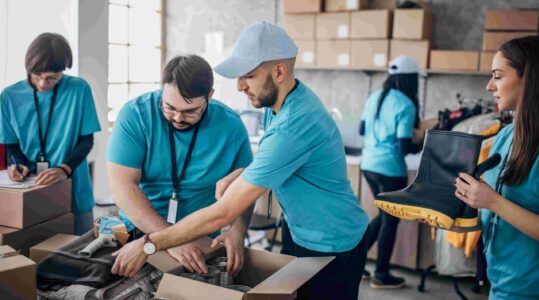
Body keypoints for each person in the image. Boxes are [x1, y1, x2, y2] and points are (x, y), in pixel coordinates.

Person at [111, 22, 370, 300]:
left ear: (279, 72)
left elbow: (224, 212)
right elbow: (279, 160)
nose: (239, 86)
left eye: (248, 75)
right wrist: (243, 174)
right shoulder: (281, 105)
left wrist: (149, 244)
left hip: (332, 239)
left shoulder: (292, 125)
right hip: (298, 230)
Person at [107, 54, 253, 275]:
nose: (177, 117)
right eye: (169, 107)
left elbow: (247, 185)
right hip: (138, 233)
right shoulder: (135, 115)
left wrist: (238, 230)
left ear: (209, 97)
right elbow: (121, 187)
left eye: (189, 111)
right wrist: (170, 239)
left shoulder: (231, 126)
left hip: (201, 240)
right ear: (162, 89)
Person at [455, 35, 539, 300]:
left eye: (498, 76)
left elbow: (495, 203)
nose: (490, 85)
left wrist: (492, 202)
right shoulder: (505, 136)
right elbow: (494, 215)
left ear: (529, 77)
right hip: (502, 284)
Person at [0, 32, 101, 235]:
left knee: (80, 252)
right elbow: (11, 144)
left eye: (52, 79)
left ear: (63, 71)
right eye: (37, 76)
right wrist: (17, 164)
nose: (43, 84)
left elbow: (86, 140)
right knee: (36, 256)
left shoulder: (79, 89)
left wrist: (64, 169)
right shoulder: (9, 96)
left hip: (73, 184)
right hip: (31, 187)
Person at [359, 55, 421, 288]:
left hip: (369, 165)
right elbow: (404, 148)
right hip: (390, 169)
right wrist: (426, 140)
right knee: (390, 219)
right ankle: (381, 274)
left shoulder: (374, 96)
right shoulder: (405, 103)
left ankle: (355, 259)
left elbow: (362, 128)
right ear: (410, 80)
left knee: (384, 215)